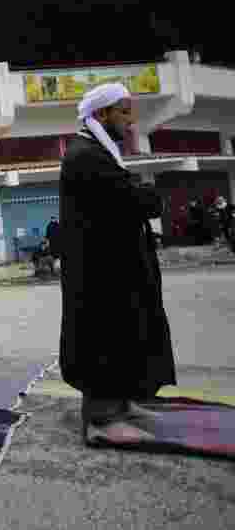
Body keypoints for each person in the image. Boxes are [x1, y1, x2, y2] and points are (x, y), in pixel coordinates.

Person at [59, 82, 176, 444]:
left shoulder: (98, 152)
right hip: (99, 276)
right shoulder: (84, 155)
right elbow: (131, 199)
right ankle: (102, 420)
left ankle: (122, 405)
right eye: (124, 112)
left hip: (115, 269)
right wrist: (149, 194)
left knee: (125, 335)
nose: (130, 121)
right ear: (101, 114)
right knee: (104, 338)